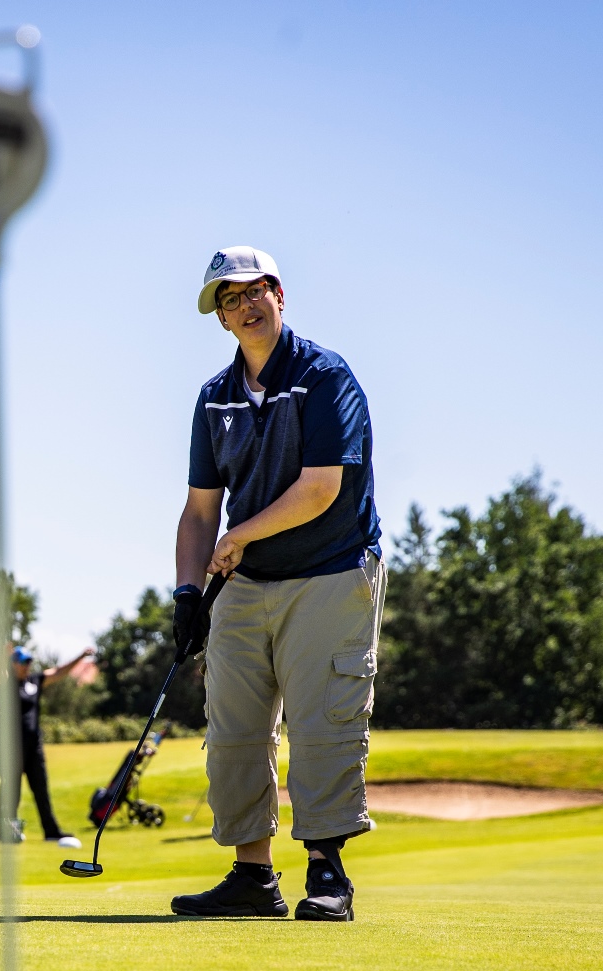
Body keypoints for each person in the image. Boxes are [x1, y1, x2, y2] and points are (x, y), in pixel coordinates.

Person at [168, 246, 383, 923]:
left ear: (279, 294)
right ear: (222, 319)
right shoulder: (215, 398)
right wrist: (183, 592)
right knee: (233, 729)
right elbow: (201, 510)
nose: (246, 305)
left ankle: (327, 872)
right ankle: (252, 875)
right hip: (244, 583)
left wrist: (239, 537)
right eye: (230, 300)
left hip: (329, 570)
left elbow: (321, 489)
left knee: (324, 720)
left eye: (255, 290)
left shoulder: (324, 377)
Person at [11, 645, 95, 849]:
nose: (27, 666)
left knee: (41, 788)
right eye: (23, 662)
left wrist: (80, 656)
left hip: (34, 745)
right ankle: (8, 831)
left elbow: (58, 672)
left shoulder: (34, 681)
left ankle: (51, 831)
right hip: (12, 746)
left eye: (29, 662)